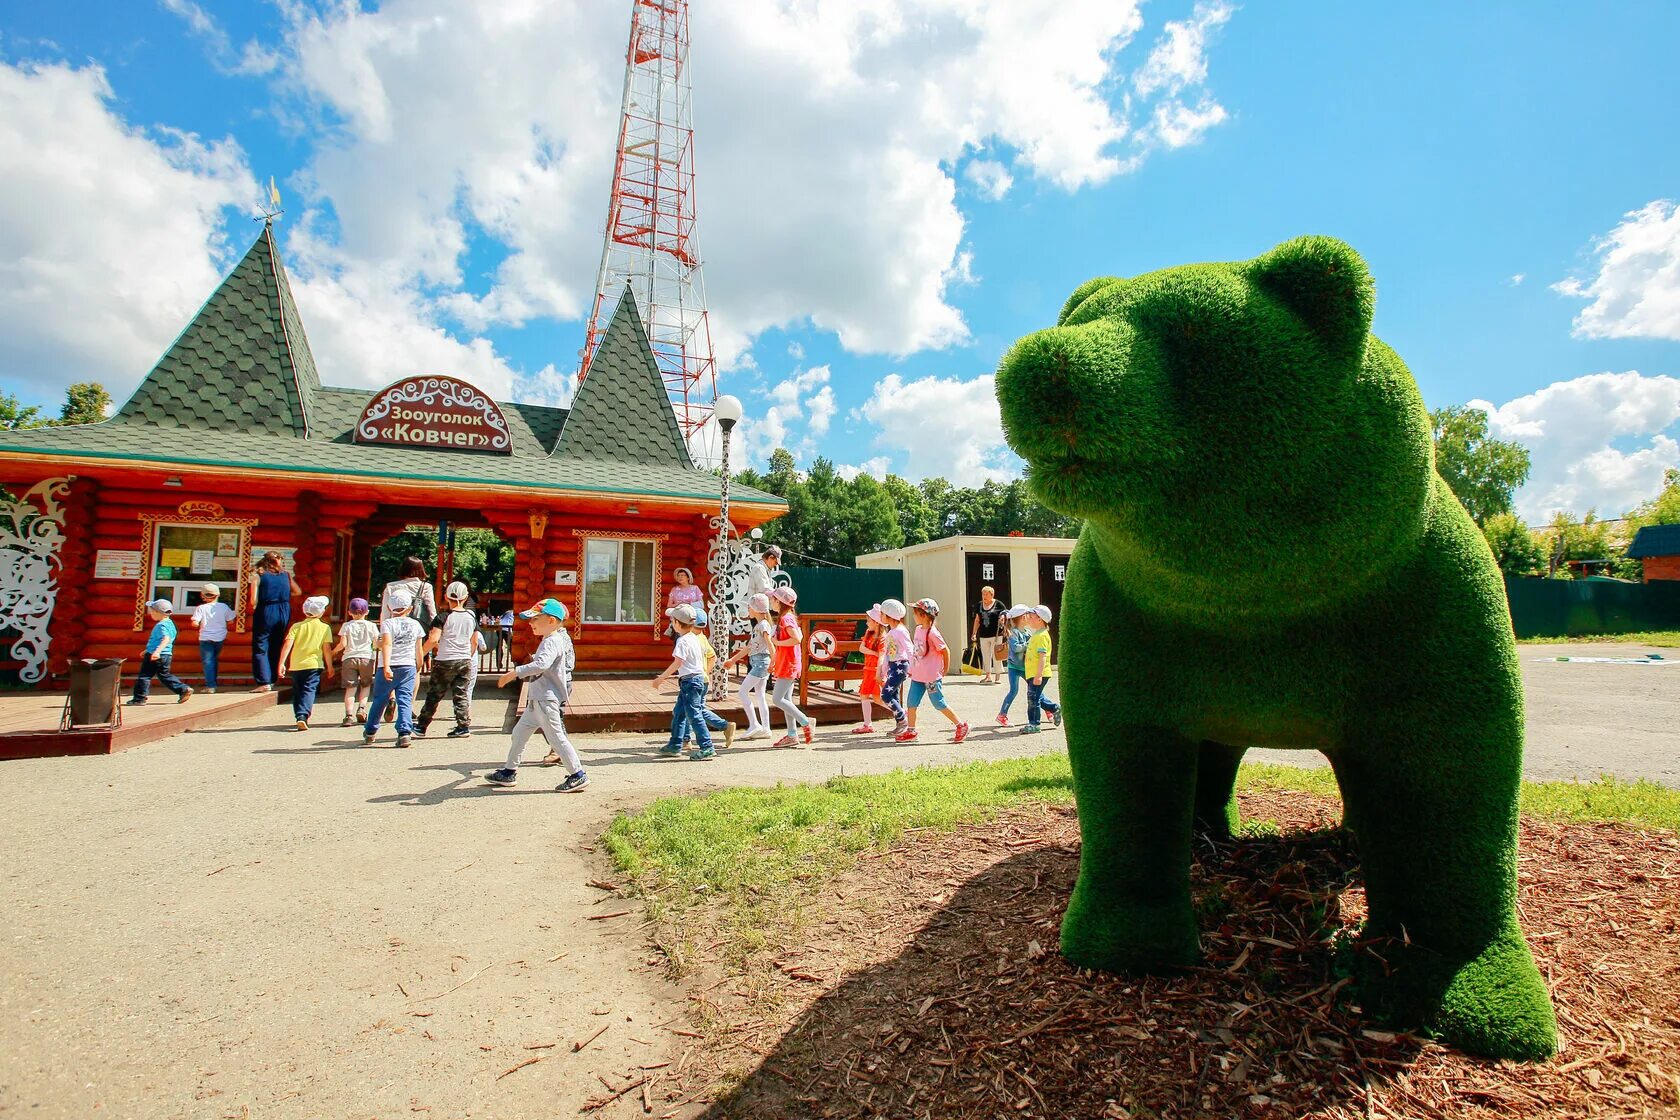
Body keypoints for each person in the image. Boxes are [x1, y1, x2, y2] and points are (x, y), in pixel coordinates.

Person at [486, 598, 586, 792]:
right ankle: (509, 772)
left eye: (535, 619)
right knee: (519, 734)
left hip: (546, 700)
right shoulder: (550, 639)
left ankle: (578, 775)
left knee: (556, 738)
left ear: (551, 621)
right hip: (538, 699)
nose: (530, 623)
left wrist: (514, 673)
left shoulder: (553, 640)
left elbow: (541, 664)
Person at [898, 597, 968, 743]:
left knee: (938, 703)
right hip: (918, 675)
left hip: (930, 677)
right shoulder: (918, 630)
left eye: (915, 613)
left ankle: (961, 725)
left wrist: (945, 669)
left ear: (923, 615)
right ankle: (911, 730)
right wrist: (912, 668)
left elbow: (945, 650)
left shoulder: (933, 633)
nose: (913, 616)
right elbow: (917, 652)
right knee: (911, 702)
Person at [654, 603, 716, 760]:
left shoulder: (682, 641)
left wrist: (661, 678)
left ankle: (707, 747)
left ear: (675, 623)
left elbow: (677, 663)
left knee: (694, 715)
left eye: (672, 620)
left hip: (690, 682)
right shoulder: (694, 637)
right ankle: (675, 744)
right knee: (679, 713)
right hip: (694, 680)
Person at [416, 581, 477, 739]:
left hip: (445, 659)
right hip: (464, 659)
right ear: (466, 597)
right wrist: (467, 655)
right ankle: (463, 726)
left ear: (446, 597)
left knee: (435, 694)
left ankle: (422, 726)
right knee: (461, 694)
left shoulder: (443, 617)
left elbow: (434, 639)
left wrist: (420, 654)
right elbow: (474, 641)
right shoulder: (471, 617)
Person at [363, 589, 423, 747]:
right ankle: (404, 732)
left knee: (380, 699)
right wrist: (419, 663)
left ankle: (370, 731)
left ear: (389, 608)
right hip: (408, 665)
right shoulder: (415, 624)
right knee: (405, 700)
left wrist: (387, 666)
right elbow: (419, 647)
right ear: (409, 608)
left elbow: (387, 644)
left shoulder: (388, 624)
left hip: (388, 665)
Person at [675, 608, 737, 751]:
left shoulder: (691, 639)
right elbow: (713, 657)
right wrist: (705, 672)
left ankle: (721, 727)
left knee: (692, 709)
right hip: (703, 680)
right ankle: (687, 739)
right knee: (695, 709)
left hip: (692, 679)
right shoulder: (703, 638)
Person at [767, 585, 816, 747]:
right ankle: (792, 734)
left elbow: (797, 638)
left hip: (788, 663)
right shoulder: (787, 618)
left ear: (779, 602)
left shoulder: (785, 619)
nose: (771, 601)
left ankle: (805, 721)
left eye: (773, 599)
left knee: (777, 698)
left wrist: (777, 642)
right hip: (786, 662)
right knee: (786, 699)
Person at [277, 595, 334, 731]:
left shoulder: (296, 626)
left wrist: (281, 663)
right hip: (314, 664)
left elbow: (287, 644)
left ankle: (299, 715)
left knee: (297, 691)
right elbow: (326, 648)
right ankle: (302, 716)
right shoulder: (325, 628)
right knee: (309, 690)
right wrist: (330, 666)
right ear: (321, 612)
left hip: (296, 665)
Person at [724, 593, 774, 739]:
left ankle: (754, 724)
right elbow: (749, 647)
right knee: (760, 695)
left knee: (742, 692)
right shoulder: (759, 625)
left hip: (760, 663)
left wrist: (773, 662)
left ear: (756, 609)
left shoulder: (763, 625)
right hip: (759, 662)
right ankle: (766, 728)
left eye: (750, 607)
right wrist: (732, 660)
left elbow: (770, 645)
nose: (748, 609)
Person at [249, 551, 300, 693]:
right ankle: (272, 679)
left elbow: (253, 600)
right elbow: (298, 591)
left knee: (260, 645)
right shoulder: (286, 575)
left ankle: (263, 681)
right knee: (276, 644)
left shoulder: (258, 574)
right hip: (283, 609)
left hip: (266, 609)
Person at [128, 599, 192, 705]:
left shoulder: (161, 625)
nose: (151, 613)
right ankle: (183, 689)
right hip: (166, 655)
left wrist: (156, 652)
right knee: (164, 675)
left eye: (152, 611)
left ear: (158, 613)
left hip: (157, 655)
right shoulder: (170, 623)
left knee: (145, 675)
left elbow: (166, 638)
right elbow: (164, 639)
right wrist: (147, 650)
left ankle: (139, 698)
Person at [332, 597, 379, 726]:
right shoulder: (372, 626)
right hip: (366, 658)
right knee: (365, 685)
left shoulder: (346, 626)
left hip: (349, 658)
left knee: (350, 688)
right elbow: (375, 644)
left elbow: (343, 644)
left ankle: (348, 715)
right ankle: (362, 709)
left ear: (349, 612)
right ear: (367, 612)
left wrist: (333, 652)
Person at [1021, 605, 1063, 734]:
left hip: (1038, 673)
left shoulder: (1042, 636)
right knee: (1037, 696)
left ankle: (1034, 724)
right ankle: (1055, 708)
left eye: (1032, 617)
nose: (1029, 619)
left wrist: (1039, 675)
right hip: (1032, 673)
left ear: (1040, 619)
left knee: (1033, 698)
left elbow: (1042, 656)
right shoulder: (1037, 634)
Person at [189, 583, 235, 693]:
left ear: (203, 595)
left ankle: (211, 686)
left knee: (208, 661)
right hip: (220, 637)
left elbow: (195, 623)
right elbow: (231, 621)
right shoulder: (224, 607)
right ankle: (212, 682)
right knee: (213, 660)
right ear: (218, 595)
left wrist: (196, 624)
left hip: (205, 638)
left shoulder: (201, 608)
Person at [876, 598, 912, 736]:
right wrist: (884, 671)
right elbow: (888, 654)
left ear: (888, 615)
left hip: (900, 666)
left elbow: (909, 649)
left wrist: (913, 667)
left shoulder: (900, 631)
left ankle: (903, 718)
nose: (880, 616)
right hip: (893, 666)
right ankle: (900, 724)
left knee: (885, 695)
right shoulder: (891, 632)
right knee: (894, 696)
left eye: (882, 613)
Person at [995, 604, 1034, 726]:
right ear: (1022, 618)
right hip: (1014, 667)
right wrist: (1029, 644)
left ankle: (1049, 709)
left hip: (1025, 666)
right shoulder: (1013, 633)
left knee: (1034, 689)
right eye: (1028, 615)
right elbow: (1016, 648)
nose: (1030, 617)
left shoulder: (1028, 632)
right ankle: (1002, 715)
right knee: (1014, 691)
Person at [852, 607, 886, 734]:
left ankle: (899, 713)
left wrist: (879, 671)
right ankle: (867, 724)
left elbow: (882, 657)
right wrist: (874, 653)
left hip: (876, 671)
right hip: (868, 670)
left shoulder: (883, 638)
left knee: (878, 698)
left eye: (869, 620)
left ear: (876, 622)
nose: (867, 623)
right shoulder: (869, 633)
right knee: (864, 695)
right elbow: (862, 648)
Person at [380, 556, 436, 628]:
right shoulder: (426, 586)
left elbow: (385, 611)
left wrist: (383, 630)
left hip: (395, 626)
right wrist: (434, 627)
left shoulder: (391, 586)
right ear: (421, 569)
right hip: (418, 627)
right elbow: (431, 609)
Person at [970, 585, 1006, 685]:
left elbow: (1005, 613)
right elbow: (977, 620)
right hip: (984, 634)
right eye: (983, 594)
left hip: (996, 635)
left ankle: (998, 676)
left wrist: (1003, 617)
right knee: (986, 655)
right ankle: (988, 676)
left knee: (996, 655)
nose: (984, 596)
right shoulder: (979, 605)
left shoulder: (998, 604)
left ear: (992, 595)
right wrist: (974, 633)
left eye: (986, 594)